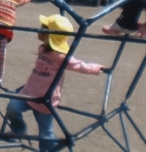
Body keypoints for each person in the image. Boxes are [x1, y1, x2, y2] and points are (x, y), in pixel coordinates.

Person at [6, 14, 105, 152]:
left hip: (46, 101)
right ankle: (19, 130)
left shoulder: (61, 57)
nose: (40, 30)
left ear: (51, 35)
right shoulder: (42, 48)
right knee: (12, 107)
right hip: (28, 93)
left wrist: (95, 68)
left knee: (46, 134)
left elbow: (79, 65)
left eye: (43, 29)